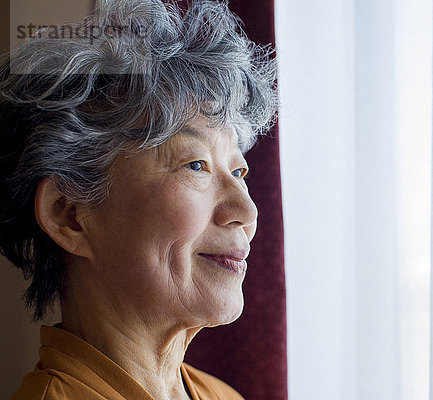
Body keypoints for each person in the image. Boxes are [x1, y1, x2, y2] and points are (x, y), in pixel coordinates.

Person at [0, 0, 277, 399]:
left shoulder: (222, 394)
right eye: (195, 165)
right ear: (70, 215)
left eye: (237, 172)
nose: (246, 212)